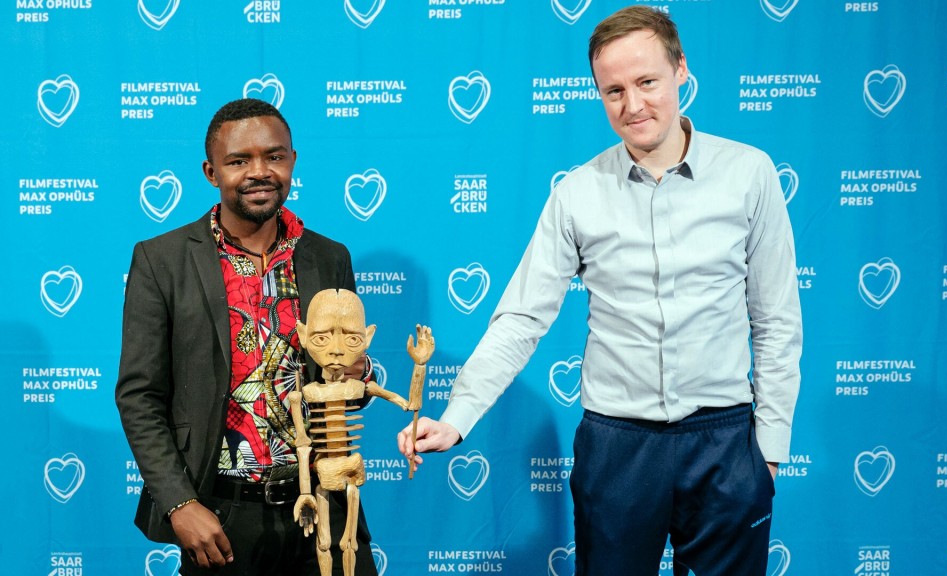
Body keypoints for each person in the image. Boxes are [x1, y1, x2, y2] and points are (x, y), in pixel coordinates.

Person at [398, 6, 802, 576]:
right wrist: (458, 415)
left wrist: (769, 453)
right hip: (617, 449)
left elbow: (777, 319)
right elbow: (521, 319)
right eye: (613, 91)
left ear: (681, 69)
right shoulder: (578, 193)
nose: (632, 105)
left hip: (725, 442)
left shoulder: (750, 173)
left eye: (646, 82)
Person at [116, 98, 377, 576]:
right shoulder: (162, 260)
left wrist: (362, 373)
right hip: (220, 515)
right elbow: (139, 397)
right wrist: (179, 505)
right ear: (211, 172)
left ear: (292, 161)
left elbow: (343, 382)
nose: (260, 172)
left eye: (274, 156)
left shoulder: (328, 256)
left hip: (327, 505)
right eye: (239, 161)